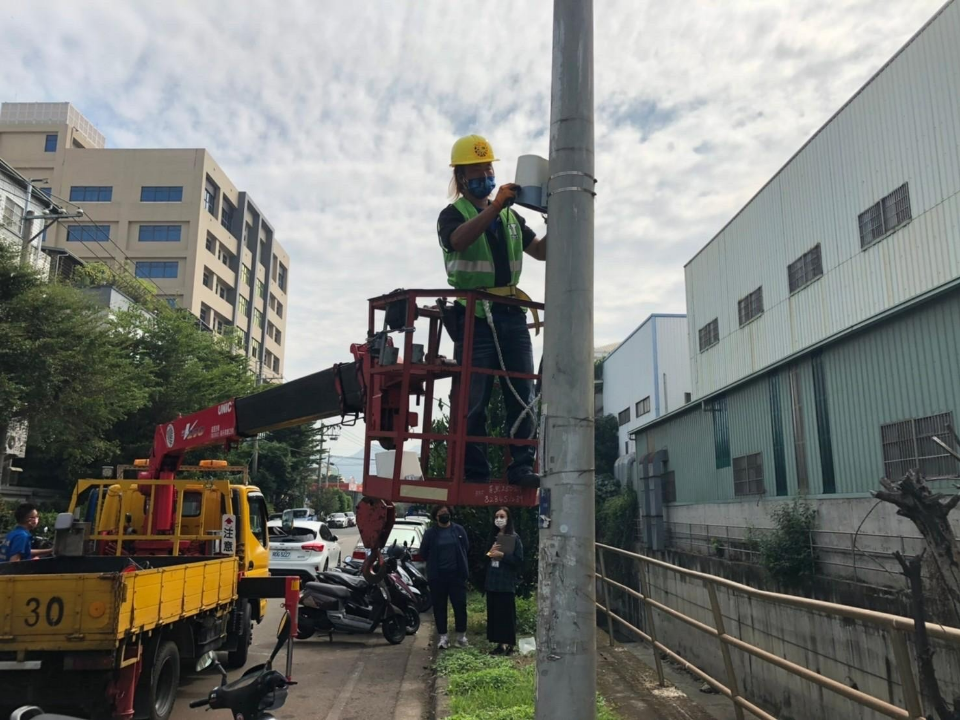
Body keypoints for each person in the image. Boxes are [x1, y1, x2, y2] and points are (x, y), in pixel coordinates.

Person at [437, 134, 547, 489]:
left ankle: (520, 466)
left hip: (511, 312)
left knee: (522, 394)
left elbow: (541, 252)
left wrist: (557, 216)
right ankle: (475, 472)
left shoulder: (511, 217)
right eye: (477, 170)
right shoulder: (453, 215)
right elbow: (458, 241)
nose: (485, 175)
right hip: (474, 315)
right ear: (461, 178)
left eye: (488, 168)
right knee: (474, 398)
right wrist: (496, 206)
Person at [419, 504, 470, 649]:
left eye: (446, 512)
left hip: (457, 576)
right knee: (440, 607)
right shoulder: (430, 533)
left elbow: (466, 547)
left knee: (460, 606)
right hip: (438, 577)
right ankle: (443, 637)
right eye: (441, 513)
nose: (444, 515)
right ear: (436, 516)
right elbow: (423, 552)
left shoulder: (458, 530)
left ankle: (461, 637)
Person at [485, 507, 523, 655]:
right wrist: (490, 552)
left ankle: (509, 644)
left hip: (506, 582)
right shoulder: (493, 536)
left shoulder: (514, 538)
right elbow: (487, 557)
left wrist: (502, 555)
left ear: (508, 519)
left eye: (502, 516)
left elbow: (518, 560)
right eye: (496, 516)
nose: (499, 519)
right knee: (494, 614)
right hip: (492, 581)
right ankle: (499, 644)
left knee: (506, 614)